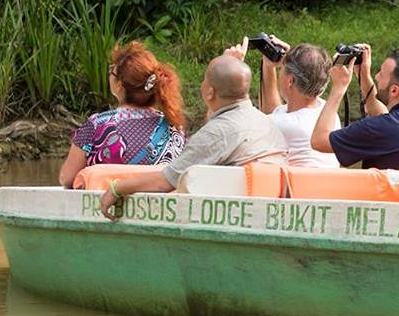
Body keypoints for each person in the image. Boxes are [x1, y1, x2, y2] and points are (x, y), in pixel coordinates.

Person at [99, 54, 287, 219]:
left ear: (209, 91)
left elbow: (165, 182)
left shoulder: (216, 133)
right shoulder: (268, 123)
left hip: (231, 214)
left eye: (205, 79)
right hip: (263, 208)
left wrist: (118, 188)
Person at [59, 41, 186, 188]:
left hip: (105, 208)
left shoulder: (96, 125)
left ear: (119, 85)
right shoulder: (175, 127)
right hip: (157, 208)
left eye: (112, 71)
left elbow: (66, 178)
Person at [310, 45, 399, 170]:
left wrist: (338, 88)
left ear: (394, 91)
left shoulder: (379, 129)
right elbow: (387, 121)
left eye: (381, 73)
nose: (377, 76)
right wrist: (364, 76)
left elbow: (319, 141)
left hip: (392, 203)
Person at [224, 35, 340, 168]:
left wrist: (230, 70)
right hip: (324, 185)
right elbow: (275, 112)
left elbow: (227, 125)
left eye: (282, 69)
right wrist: (269, 67)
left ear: (290, 81)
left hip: (296, 188)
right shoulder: (325, 110)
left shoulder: (282, 125)